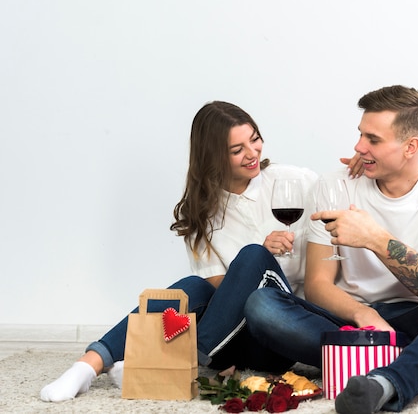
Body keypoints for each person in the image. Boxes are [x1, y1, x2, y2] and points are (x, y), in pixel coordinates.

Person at [40, 100, 362, 402]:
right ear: (213, 157)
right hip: (234, 341)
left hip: (280, 329)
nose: (252, 153)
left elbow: (340, 196)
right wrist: (259, 256)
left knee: (251, 256)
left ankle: (175, 362)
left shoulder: (294, 181)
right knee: (196, 285)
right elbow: (222, 292)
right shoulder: (204, 214)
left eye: (255, 139)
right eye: (237, 150)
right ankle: (87, 365)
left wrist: (358, 168)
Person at [244, 85, 418, 413]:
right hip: (345, 318)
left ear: (410, 146)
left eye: (373, 140)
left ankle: (386, 383)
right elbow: (319, 284)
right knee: (262, 304)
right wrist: (365, 315)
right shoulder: (335, 186)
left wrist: (375, 239)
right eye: (361, 134)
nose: (359, 146)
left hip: (411, 315)